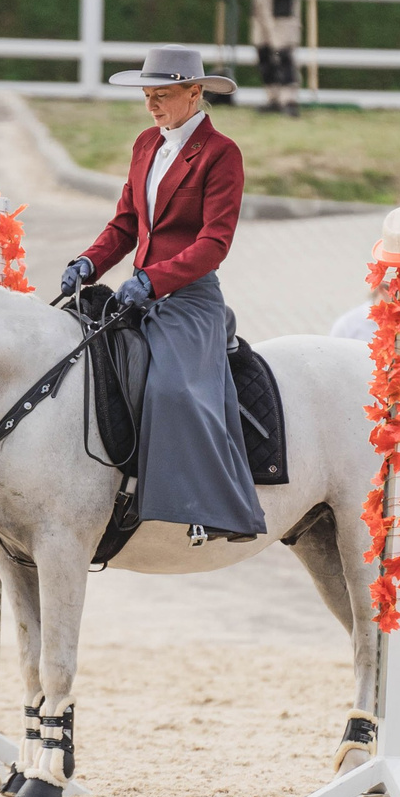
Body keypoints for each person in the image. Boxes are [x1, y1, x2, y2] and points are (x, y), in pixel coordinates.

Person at [57, 45, 265, 545]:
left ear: (195, 94)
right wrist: (89, 261)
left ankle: (210, 506)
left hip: (189, 296)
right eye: (148, 96)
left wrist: (156, 279)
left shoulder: (221, 154)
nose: (152, 106)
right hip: (137, 291)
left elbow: (215, 243)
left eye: (163, 96)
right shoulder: (146, 143)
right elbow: (126, 223)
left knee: (173, 388)